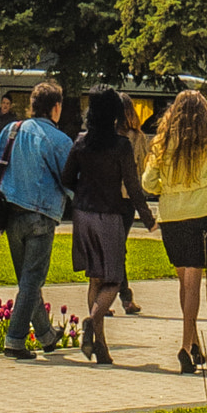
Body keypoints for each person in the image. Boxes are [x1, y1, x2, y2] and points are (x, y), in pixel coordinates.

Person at [62, 86, 155, 365]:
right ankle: (92, 319)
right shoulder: (120, 145)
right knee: (113, 279)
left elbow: (66, 178)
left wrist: (83, 192)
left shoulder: (80, 142)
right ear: (115, 113)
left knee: (95, 277)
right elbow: (132, 185)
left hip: (83, 215)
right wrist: (147, 216)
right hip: (110, 216)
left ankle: (100, 347)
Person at [143, 88, 207, 371]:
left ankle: (194, 343)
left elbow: (148, 183)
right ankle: (184, 345)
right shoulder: (203, 143)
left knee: (184, 283)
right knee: (193, 286)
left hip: (170, 217)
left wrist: (164, 189)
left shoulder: (161, 143)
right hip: (196, 217)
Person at [0, 78, 72, 360]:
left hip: (10, 214)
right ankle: (15, 340)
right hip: (42, 216)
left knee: (27, 280)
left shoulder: (13, 129)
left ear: (33, 106)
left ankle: (46, 335)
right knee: (32, 280)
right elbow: (71, 182)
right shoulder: (60, 141)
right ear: (56, 108)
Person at [117, 94, 151, 315]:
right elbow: (144, 168)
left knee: (111, 248)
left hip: (107, 198)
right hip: (128, 198)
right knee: (119, 248)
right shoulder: (138, 138)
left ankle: (106, 296)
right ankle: (124, 297)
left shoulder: (106, 136)